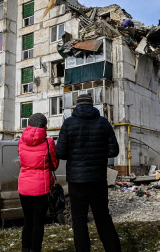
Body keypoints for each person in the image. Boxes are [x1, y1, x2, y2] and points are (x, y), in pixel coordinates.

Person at [55, 94, 121, 252]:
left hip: (77, 181)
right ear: (93, 105)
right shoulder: (104, 123)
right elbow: (114, 150)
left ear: (77, 106)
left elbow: (60, 152)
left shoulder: (68, 123)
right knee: (103, 217)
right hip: (98, 179)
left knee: (79, 221)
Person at [18, 113, 59, 252]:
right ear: (44, 125)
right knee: (38, 223)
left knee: (27, 221)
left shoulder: (21, 141)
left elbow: (23, 161)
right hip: (42, 188)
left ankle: (25, 249)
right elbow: (54, 165)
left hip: (24, 187)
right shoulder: (49, 142)